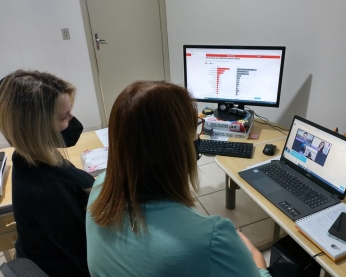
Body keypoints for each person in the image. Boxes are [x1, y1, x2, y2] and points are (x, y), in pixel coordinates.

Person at [86, 81, 272, 276]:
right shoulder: (212, 238)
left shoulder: (99, 189)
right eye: (194, 128)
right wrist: (256, 258)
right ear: (177, 148)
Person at [0, 70, 94, 276]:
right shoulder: (44, 190)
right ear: (37, 129)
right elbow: (86, 256)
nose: (74, 121)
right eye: (64, 117)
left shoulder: (31, 156)